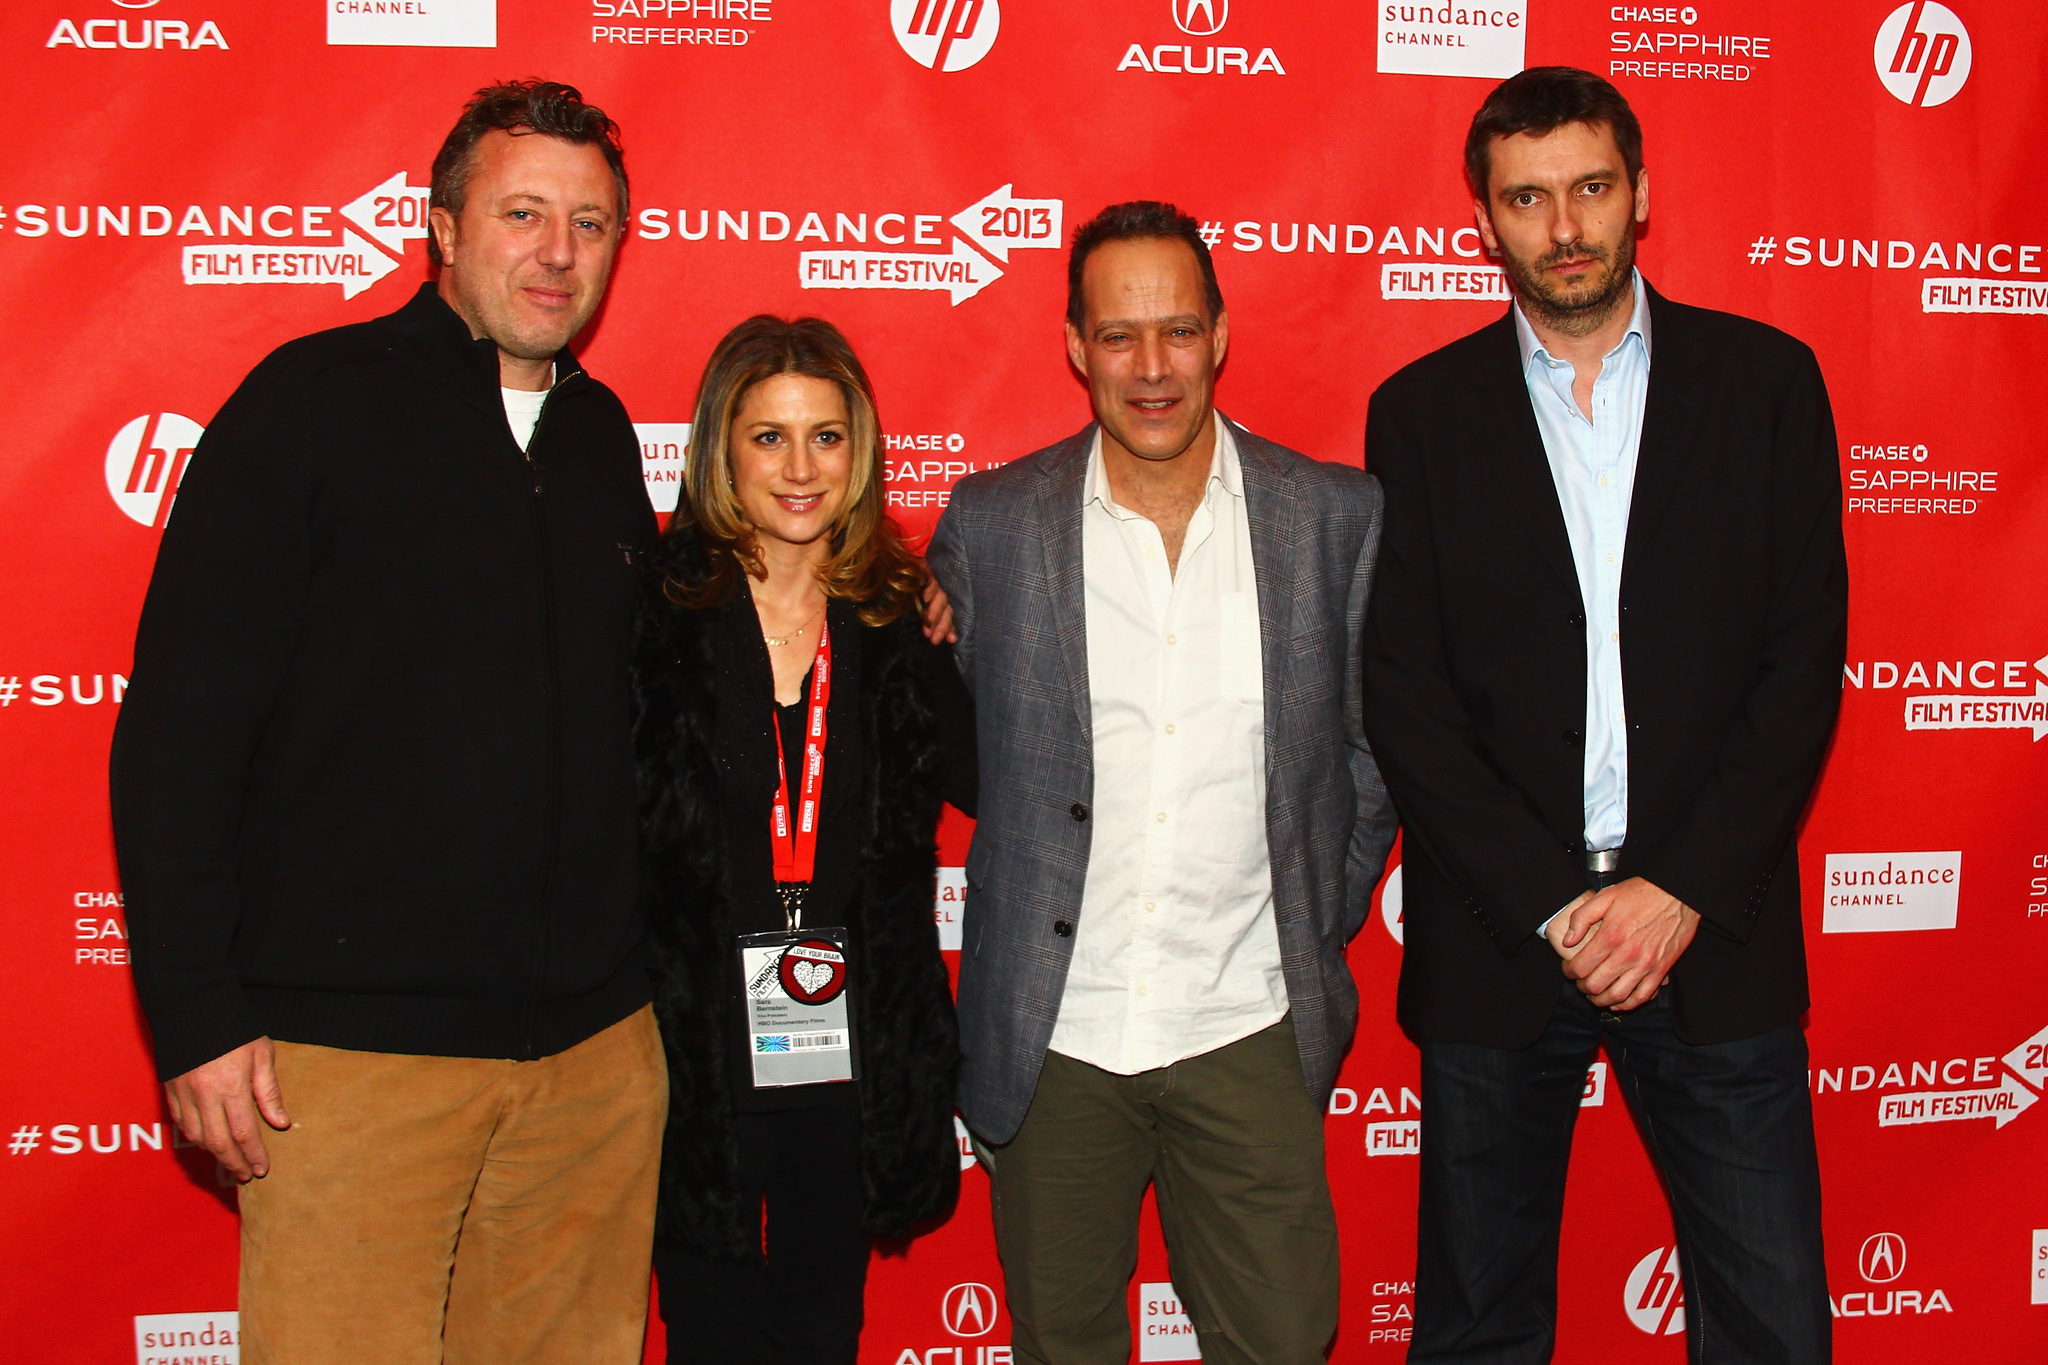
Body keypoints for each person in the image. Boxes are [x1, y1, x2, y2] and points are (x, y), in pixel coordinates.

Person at [110, 82, 669, 1364]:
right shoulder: (307, 405)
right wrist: (194, 1013)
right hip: (347, 1068)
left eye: (589, 223)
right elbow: (178, 735)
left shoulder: (597, 446)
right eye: (522, 212)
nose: (557, 251)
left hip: (591, 1067)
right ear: (440, 226)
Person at [1361, 68, 1846, 1364]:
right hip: (1501, 933)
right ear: (1484, 220)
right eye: (1528, 197)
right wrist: (1560, 902)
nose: (1564, 225)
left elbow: (1802, 668)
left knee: (1773, 1329)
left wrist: (1676, 886)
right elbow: (1407, 701)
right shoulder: (1418, 417)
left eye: (1590, 187)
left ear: (1642, 193)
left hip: (1713, 929)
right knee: (1476, 1332)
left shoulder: (1769, 386)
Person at [928, 201, 1398, 1365]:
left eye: (1177, 331)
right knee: (1063, 1343)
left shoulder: (1334, 516)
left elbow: (1371, 749)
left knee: (1285, 1340)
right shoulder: (989, 524)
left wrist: (1317, 904)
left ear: (1221, 334)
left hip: (1245, 1018)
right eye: (1119, 335)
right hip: (1057, 1035)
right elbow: (940, 743)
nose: (1151, 369)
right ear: (1076, 346)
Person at [635, 315, 976, 1365]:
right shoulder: (653, 615)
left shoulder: (890, 621)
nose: (799, 468)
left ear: (859, 451)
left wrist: (963, 622)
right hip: (688, 1041)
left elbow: (976, 777)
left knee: (825, 1325)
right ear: (720, 450)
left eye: (825, 437)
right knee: (709, 1326)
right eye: (769, 436)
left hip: (847, 1030)